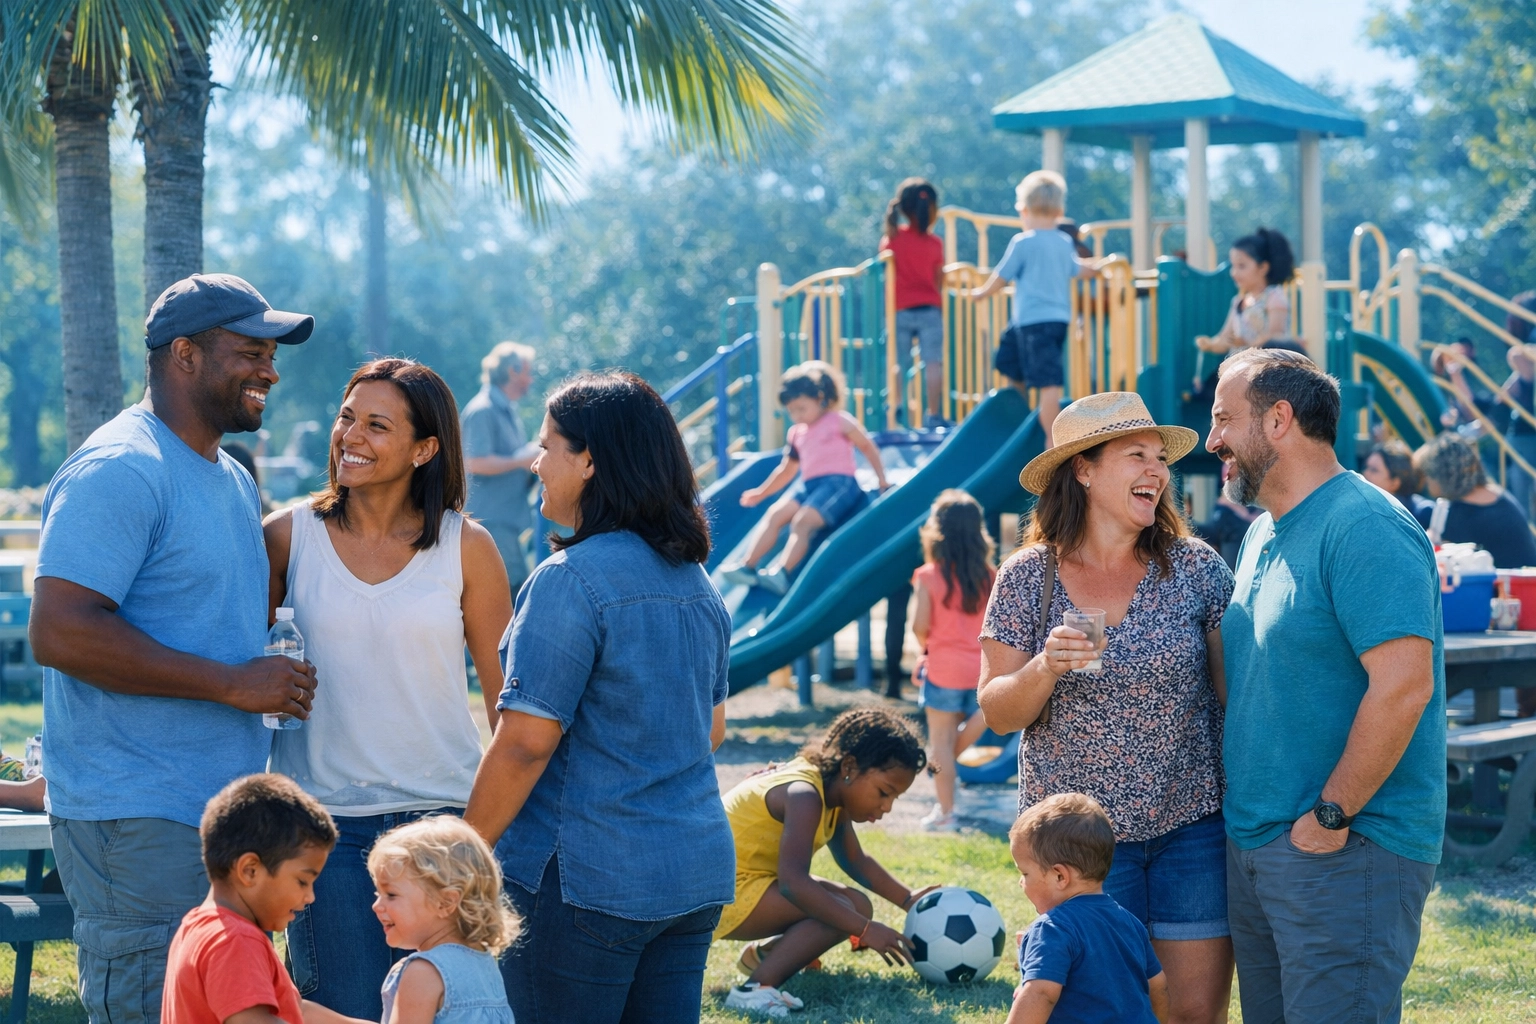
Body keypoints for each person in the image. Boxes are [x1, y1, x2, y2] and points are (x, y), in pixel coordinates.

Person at [30, 273, 318, 1023]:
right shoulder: (121, 468)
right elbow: (60, 629)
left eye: (272, 353)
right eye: (251, 351)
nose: (270, 370)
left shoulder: (227, 478)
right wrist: (232, 684)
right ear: (185, 355)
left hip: (209, 816)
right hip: (137, 820)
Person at [463, 372, 735, 1024]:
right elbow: (711, 732)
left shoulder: (569, 580)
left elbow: (525, 742)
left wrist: (461, 851)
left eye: (548, 445)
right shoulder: (696, 581)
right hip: (691, 873)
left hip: (589, 879)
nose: (536, 462)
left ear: (590, 460)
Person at [264, 359, 512, 1018]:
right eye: (348, 417)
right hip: (326, 831)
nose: (352, 436)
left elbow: (507, 709)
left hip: (444, 827)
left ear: (425, 449)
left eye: (378, 425)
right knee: (340, 1010)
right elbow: (241, 678)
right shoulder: (287, 539)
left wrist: (482, 837)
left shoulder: (468, 547)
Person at [977, 391, 1235, 1024]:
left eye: (1158, 458)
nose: (1156, 471)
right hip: (1079, 847)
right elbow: (998, 712)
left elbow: (1238, 694)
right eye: (1135, 456)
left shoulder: (1197, 569)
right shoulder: (1028, 577)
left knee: (1194, 1014)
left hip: (1190, 825)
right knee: (1094, 1011)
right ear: (1084, 471)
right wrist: (1046, 665)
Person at [1207, 348, 1443, 1023]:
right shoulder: (1260, 535)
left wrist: (1331, 816)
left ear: (1279, 419)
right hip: (1263, 845)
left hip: (1346, 850)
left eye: (1226, 418)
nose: (1214, 439)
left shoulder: (1365, 526)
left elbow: (1403, 687)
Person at [716, 707, 932, 1017]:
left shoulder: (831, 793)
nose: (886, 807)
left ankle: (767, 954)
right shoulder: (805, 795)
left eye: (894, 798)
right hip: (716, 892)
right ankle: (753, 990)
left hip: (747, 881)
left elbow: (855, 859)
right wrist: (866, 930)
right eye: (884, 792)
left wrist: (909, 899)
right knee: (843, 912)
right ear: (849, 766)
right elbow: (794, 884)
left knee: (857, 905)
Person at [304, 817, 517, 1024]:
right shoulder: (483, 964)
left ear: (445, 903)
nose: (376, 906)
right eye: (378, 894)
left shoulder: (423, 972)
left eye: (391, 895)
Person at [163, 773, 338, 1024]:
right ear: (250, 870)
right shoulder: (235, 940)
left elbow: (294, 1008)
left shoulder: (199, 928)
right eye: (302, 881)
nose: (310, 897)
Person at [719, 362, 889, 595]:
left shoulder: (838, 420)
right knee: (775, 514)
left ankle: (782, 572)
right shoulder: (797, 433)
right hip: (808, 485)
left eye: (801, 408)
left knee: (802, 521)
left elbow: (867, 447)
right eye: (791, 411)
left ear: (819, 398)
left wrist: (882, 479)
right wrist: (761, 492)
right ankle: (747, 567)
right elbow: (786, 471)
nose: (796, 415)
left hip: (840, 484)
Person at [1008, 793, 1168, 1024]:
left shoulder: (1052, 929)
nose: (1021, 882)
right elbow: (1159, 987)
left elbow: (1041, 993)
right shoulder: (1130, 923)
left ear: (1060, 876)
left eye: (1025, 873)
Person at [970, 170, 1091, 446]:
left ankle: (1052, 437)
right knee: (1009, 360)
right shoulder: (1063, 241)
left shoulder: (1023, 242)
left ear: (1023, 210)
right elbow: (1077, 269)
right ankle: (1023, 416)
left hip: (1033, 322)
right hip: (1052, 321)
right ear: (1059, 210)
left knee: (1048, 383)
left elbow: (1002, 276)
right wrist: (1096, 270)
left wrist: (981, 293)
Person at [911, 489, 994, 831]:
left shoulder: (928, 576)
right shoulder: (992, 576)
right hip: (982, 672)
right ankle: (944, 768)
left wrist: (925, 647)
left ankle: (946, 813)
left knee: (941, 744)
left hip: (943, 668)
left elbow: (919, 626)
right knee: (981, 719)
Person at [461, 342, 539, 594]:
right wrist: (520, 460)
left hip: (505, 521)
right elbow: (474, 461)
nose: (531, 379)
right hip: (491, 522)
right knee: (513, 591)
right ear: (512, 371)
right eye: (527, 372)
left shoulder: (506, 409)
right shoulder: (483, 410)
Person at [880, 178, 948, 426]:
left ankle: (896, 407)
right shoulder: (935, 243)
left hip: (900, 310)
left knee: (899, 362)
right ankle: (933, 414)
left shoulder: (893, 240)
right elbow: (939, 277)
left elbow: (886, 274)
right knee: (932, 363)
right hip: (929, 308)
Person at [1414, 431, 1536, 568]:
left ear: (1440, 476)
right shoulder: (1502, 497)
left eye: (1428, 475)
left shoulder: (1458, 514)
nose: (1427, 482)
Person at [1194, 228, 1295, 356]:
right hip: (1241, 366)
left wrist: (1246, 343)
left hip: (1266, 368)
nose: (1234, 273)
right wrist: (1210, 344)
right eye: (1233, 266)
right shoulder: (1238, 301)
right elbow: (1224, 338)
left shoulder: (1274, 297)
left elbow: (1275, 339)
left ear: (1263, 267)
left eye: (1241, 266)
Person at [1500, 295, 1536, 518]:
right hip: (1522, 431)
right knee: (1522, 495)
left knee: (1523, 496)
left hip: (1526, 433)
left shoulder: (1529, 339)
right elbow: (1504, 395)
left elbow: (1517, 357)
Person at [1195, 462, 1262, 569]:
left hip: (1241, 548)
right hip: (1225, 550)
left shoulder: (1252, 497)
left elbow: (1258, 519)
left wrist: (1234, 507)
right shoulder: (1222, 501)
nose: (1227, 468)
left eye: (1232, 464)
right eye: (1225, 465)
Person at [1363, 439, 1435, 525]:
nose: (1365, 473)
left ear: (1395, 483)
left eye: (1374, 470)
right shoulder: (1366, 507)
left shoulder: (1422, 512)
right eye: (1366, 467)